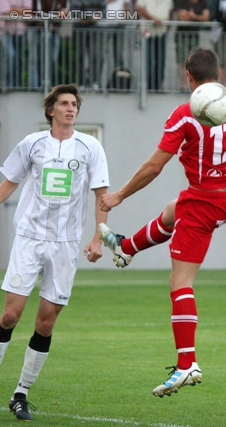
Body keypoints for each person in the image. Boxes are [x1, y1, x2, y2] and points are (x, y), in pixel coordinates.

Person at [98, 47, 226, 397]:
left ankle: (187, 363)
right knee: (174, 208)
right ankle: (127, 247)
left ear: (187, 77)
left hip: (204, 204)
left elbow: (153, 166)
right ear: (219, 74)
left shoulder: (185, 114)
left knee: (180, 283)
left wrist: (118, 196)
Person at [0, 84, 109, 421]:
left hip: (65, 245)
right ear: (50, 110)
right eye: (63, 103)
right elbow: (8, 184)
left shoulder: (91, 147)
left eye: (74, 104)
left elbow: (102, 195)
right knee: (10, 316)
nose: (70, 108)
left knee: (46, 322)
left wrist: (97, 238)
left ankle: (21, 393)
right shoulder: (31, 144)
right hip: (29, 239)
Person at [136, 0, 172, 91]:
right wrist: (152, 18)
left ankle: (158, 86)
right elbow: (139, 8)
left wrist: (168, 25)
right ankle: (149, 86)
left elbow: (171, 10)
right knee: (149, 59)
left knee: (161, 60)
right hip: (147, 31)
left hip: (162, 31)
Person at [175, 0, 210, 91]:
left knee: (193, 62)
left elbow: (206, 16)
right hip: (182, 35)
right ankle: (183, 86)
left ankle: (193, 85)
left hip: (194, 35)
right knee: (183, 61)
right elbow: (182, 17)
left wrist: (194, 16)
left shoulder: (202, 2)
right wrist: (198, 17)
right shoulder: (182, 2)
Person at [0, 0, 30, 88]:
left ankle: (17, 84)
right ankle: (6, 84)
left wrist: (12, 9)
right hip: (4, 30)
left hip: (20, 31)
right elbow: (5, 12)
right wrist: (20, 10)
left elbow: (28, 11)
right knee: (10, 54)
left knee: (19, 58)